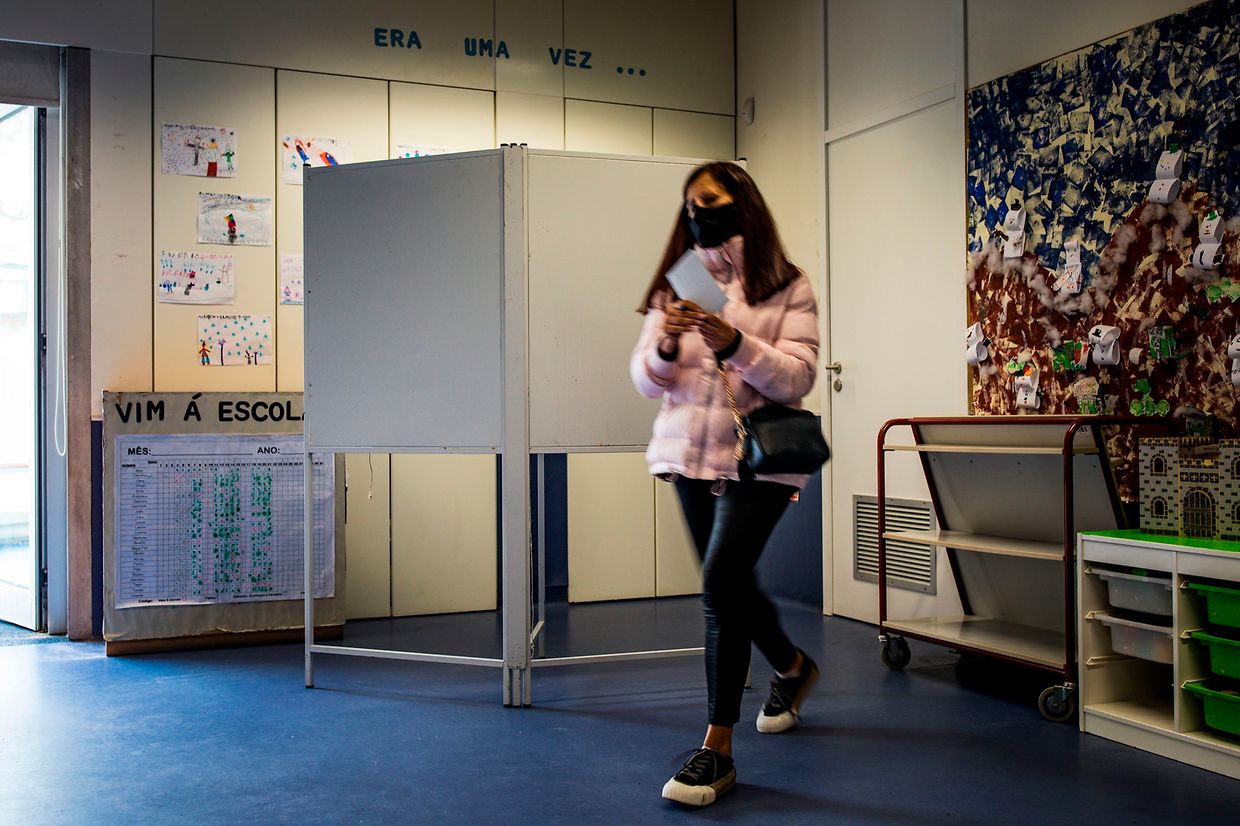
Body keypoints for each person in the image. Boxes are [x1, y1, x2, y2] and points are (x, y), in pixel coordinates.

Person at [630, 161, 821, 807]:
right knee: (734, 581)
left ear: (742, 205)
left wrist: (735, 341)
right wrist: (664, 347)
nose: (697, 215)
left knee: (719, 582)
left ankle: (717, 747)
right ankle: (793, 669)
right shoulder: (676, 283)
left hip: (758, 461)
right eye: (689, 205)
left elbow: (797, 378)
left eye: (709, 203)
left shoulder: (786, 285)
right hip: (688, 456)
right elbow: (643, 377)